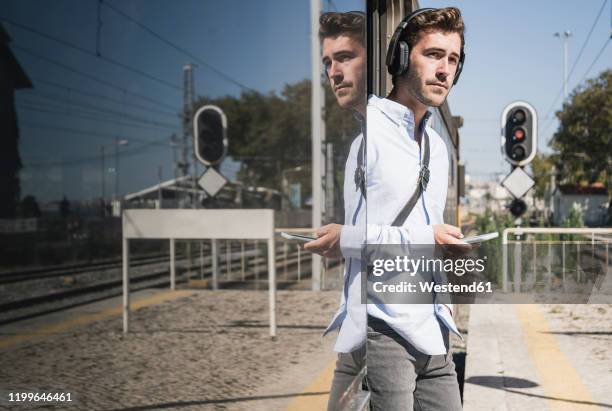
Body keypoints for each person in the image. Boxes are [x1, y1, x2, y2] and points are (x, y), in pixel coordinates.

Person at [307, 7, 468, 410]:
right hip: (385, 331)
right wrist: (424, 238)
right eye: (433, 55)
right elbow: (353, 239)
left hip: (433, 331)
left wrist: (443, 249)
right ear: (399, 58)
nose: (445, 69)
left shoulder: (436, 146)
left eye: (453, 59)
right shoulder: (370, 133)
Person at [309, 11, 367, 411]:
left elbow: (418, 236)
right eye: (328, 62)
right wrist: (344, 242)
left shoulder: (397, 141)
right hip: (358, 325)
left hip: (386, 331)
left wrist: (346, 238)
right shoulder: (359, 148)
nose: (333, 71)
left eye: (344, 57)